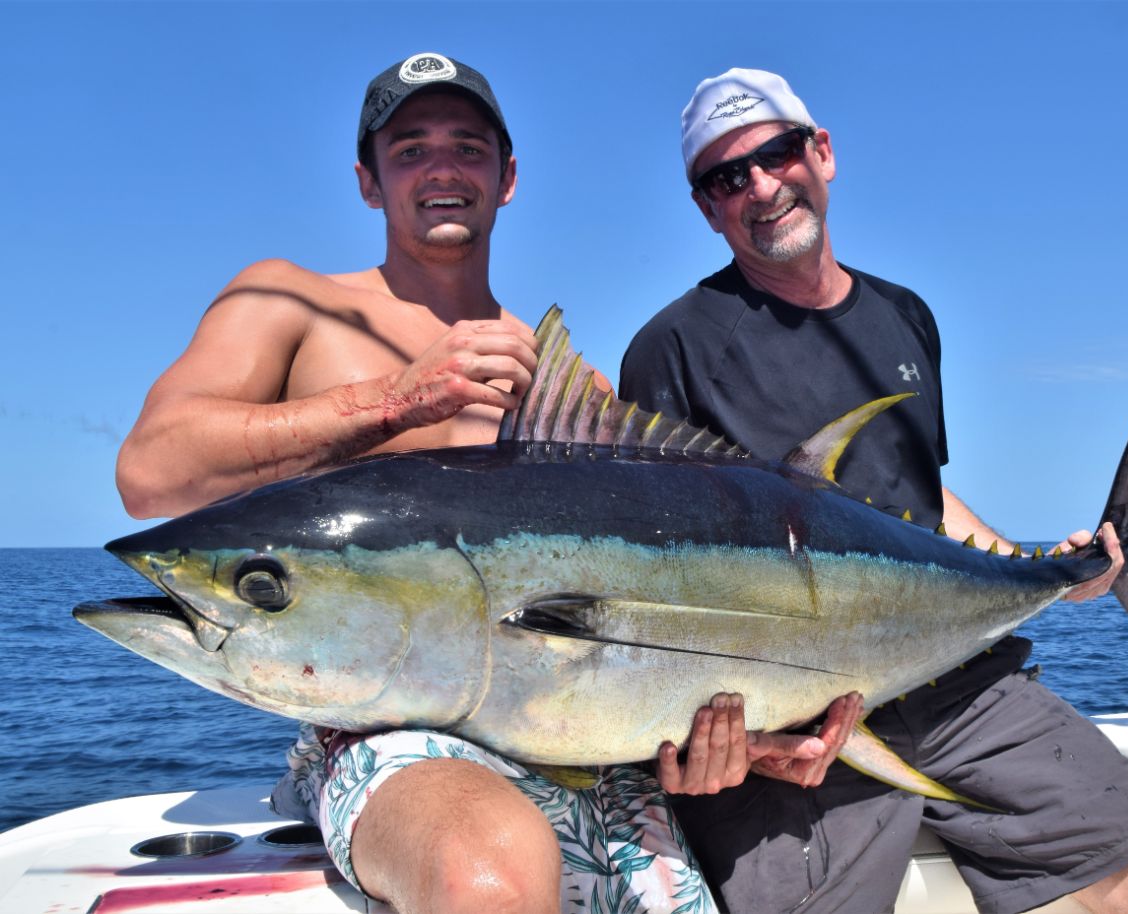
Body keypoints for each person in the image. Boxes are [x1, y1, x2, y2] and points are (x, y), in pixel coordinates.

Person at [117, 51, 765, 914]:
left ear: (507, 178)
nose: (442, 168)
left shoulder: (567, 391)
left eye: (467, 146)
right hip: (379, 740)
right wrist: (396, 399)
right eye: (411, 148)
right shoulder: (288, 302)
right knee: (484, 873)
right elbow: (152, 472)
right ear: (367, 181)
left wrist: (703, 738)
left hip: (590, 756)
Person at [619, 68, 1128, 914]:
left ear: (823, 153)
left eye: (776, 153)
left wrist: (1043, 569)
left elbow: (920, 501)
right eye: (728, 176)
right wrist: (762, 739)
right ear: (705, 206)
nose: (762, 186)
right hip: (797, 732)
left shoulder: (904, 315)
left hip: (960, 685)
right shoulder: (674, 348)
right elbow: (657, 581)